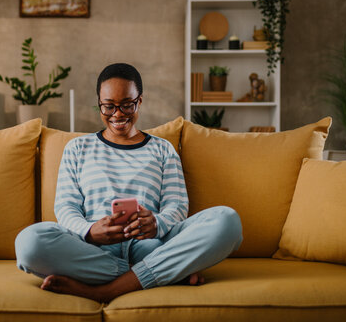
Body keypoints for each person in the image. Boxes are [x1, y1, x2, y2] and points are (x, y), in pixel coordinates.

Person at [15, 63, 243, 302]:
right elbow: (66, 207)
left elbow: (176, 206)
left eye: (127, 104)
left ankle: (107, 290)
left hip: (152, 244)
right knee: (29, 243)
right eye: (108, 106)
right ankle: (164, 272)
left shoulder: (162, 149)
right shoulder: (77, 148)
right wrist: (91, 232)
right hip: (94, 250)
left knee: (227, 220)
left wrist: (155, 223)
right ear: (99, 103)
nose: (118, 114)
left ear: (140, 101)